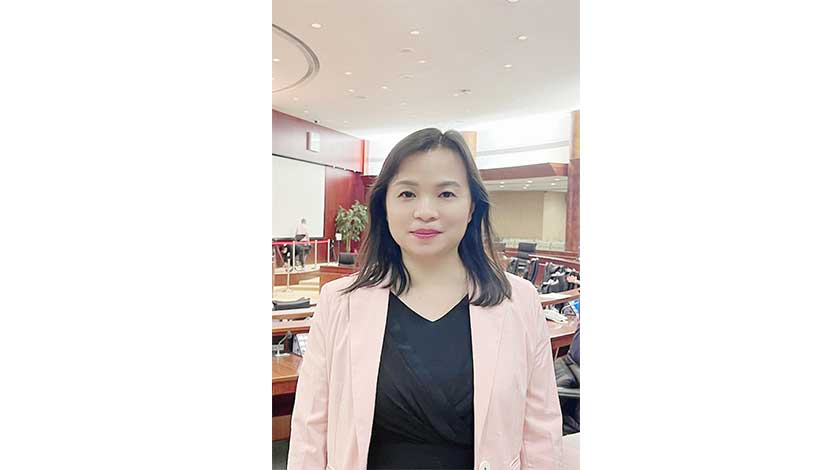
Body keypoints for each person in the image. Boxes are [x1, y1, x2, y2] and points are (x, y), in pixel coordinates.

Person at [287, 128, 563, 470]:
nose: (425, 211)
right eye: (407, 193)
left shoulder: (519, 301)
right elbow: (310, 430)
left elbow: (541, 434)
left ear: (471, 206)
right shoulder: (339, 302)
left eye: (446, 193)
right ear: (384, 205)